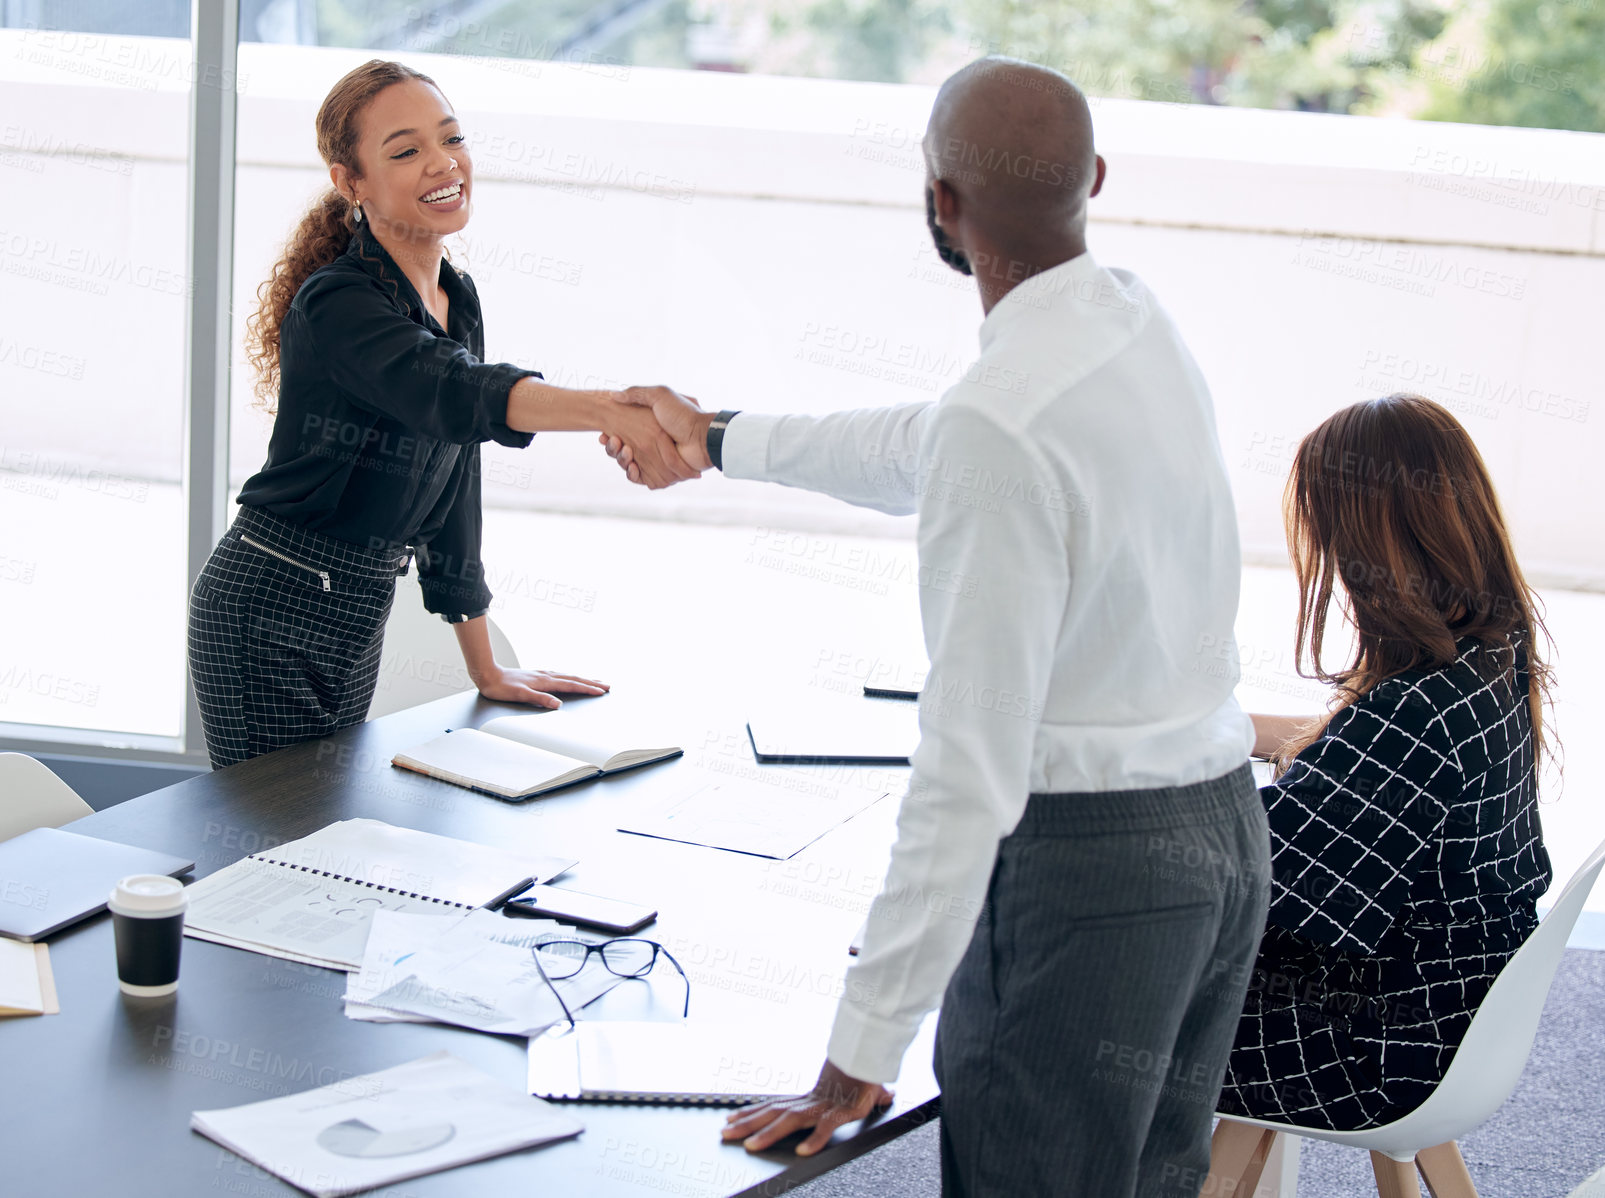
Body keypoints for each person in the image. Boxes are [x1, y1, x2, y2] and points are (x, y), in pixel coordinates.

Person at [607, 57, 1271, 1198]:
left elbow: (967, 770)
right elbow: (926, 442)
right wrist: (720, 438)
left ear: (939, 203)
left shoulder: (998, 425)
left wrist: (858, 1048)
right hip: (1218, 842)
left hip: (1088, 878)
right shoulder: (1130, 323)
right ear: (1094, 179)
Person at [188, 60, 697, 770]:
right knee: (277, 842)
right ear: (350, 182)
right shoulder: (337, 303)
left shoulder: (457, 295)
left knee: (318, 835)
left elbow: (456, 479)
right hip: (271, 604)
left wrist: (485, 669)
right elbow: (456, 391)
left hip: (356, 606)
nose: (442, 163)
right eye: (405, 151)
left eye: (451, 139)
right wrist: (614, 410)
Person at [1212, 393, 1555, 1137]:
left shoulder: (1417, 712)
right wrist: (1212, 731)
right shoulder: (1489, 652)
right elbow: (1348, 758)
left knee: (1086, 987)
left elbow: (1250, 880)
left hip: (1372, 1053)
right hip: (1450, 1017)